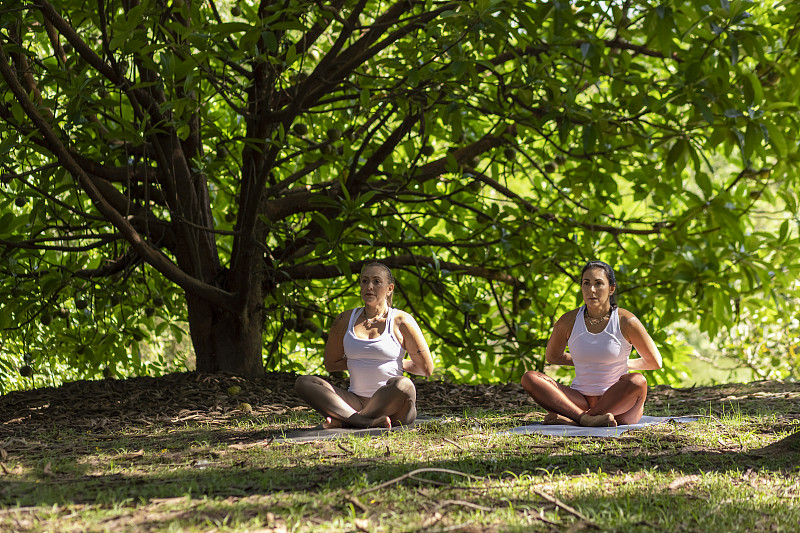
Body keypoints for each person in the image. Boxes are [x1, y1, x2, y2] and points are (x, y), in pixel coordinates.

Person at [520, 261, 662, 427]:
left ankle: (576, 419)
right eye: (586, 283)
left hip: (620, 407)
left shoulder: (626, 321)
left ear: (611, 289)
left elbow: (654, 362)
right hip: (579, 401)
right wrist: (586, 360)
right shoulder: (568, 321)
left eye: (598, 283)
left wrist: (619, 362)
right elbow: (553, 356)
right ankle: (585, 419)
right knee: (530, 378)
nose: (591, 290)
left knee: (637, 381)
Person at [295, 262, 434, 428]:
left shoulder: (401, 321)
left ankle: (350, 420)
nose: (369, 286)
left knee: (404, 384)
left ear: (390, 288)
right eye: (364, 281)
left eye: (376, 282)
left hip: (395, 409)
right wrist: (361, 360)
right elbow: (331, 364)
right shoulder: (344, 320)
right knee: (304, 383)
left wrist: (390, 362)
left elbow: (426, 368)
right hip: (355, 402)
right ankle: (364, 421)